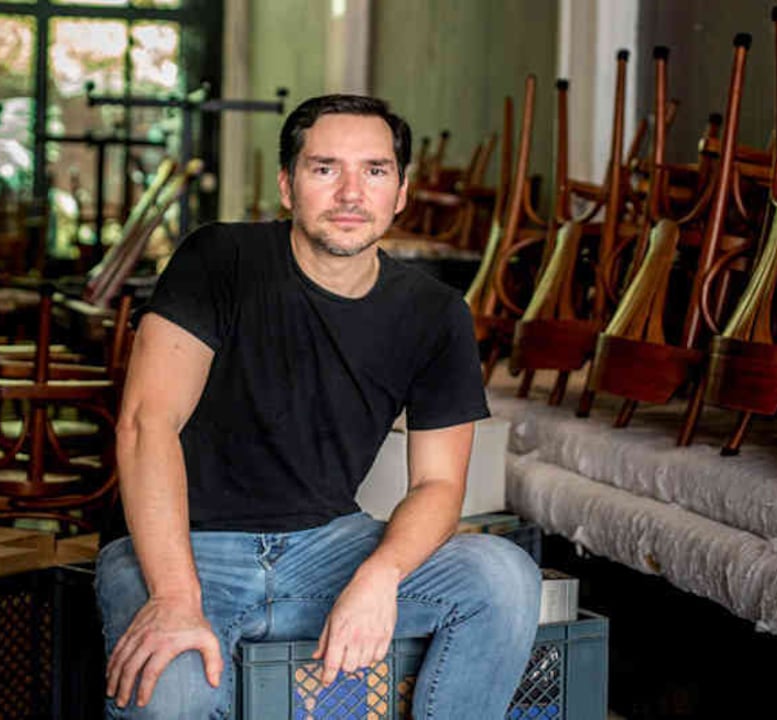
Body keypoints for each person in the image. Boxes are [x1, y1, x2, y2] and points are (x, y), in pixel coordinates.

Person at [96, 94, 541, 719]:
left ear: (402, 191)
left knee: (502, 576)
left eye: (376, 171)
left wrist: (380, 575)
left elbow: (440, 483)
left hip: (327, 548)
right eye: (325, 168)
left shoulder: (435, 313)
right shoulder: (219, 259)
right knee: (170, 696)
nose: (351, 193)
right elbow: (148, 424)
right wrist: (174, 596)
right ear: (287, 185)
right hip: (185, 548)